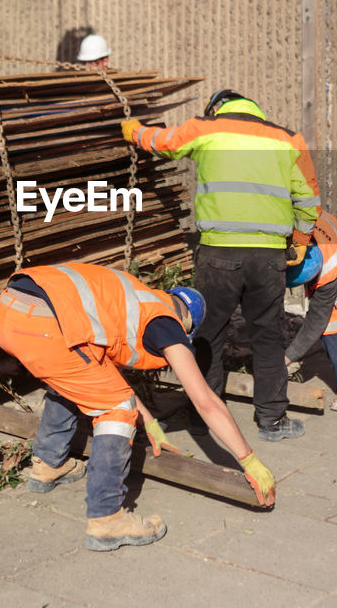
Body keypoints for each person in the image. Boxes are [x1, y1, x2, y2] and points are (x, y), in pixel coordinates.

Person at [0, 262, 276, 552]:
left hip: (8, 311)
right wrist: (248, 460)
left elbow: (101, 373)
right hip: (45, 324)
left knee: (72, 377)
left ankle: (49, 465)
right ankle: (106, 519)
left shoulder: (134, 299)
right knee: (116, 410)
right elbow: (206, 401)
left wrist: (149, 420)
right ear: (187, 323)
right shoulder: (166, 322)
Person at [122, 90, 320, 441]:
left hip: (218, 254)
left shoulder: (206, 128)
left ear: (216, 109)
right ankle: (272, 421)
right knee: (268, 337)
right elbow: (308, 198)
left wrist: (135, 131)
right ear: (255, 108)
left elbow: (164, 141)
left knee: (207, 334)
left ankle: (203, 416)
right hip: (269, 256)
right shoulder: (288, 139)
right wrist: (301, 242)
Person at [282, 208, 337, 411]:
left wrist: (287, 357)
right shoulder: (290, 234)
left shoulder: (329, 270)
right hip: (319, 241)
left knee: (330, 328)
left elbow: (315, 320)